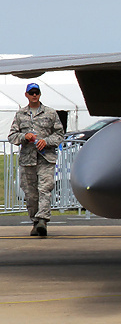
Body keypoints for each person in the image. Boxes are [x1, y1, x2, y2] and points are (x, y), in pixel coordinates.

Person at [7, 83, 65, 237]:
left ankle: (42, 220)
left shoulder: (50, 113)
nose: (34, 95)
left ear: (40, 94)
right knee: (31, 194)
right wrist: (24, 137)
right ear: (26, 95)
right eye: (31, 93)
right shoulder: (20, 114)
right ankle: (35, 221)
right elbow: (12, 136)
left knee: (44, 189)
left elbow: (59, 134)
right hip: (28, 160)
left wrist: (46, 141)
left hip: (46, 158)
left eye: (37, 93)